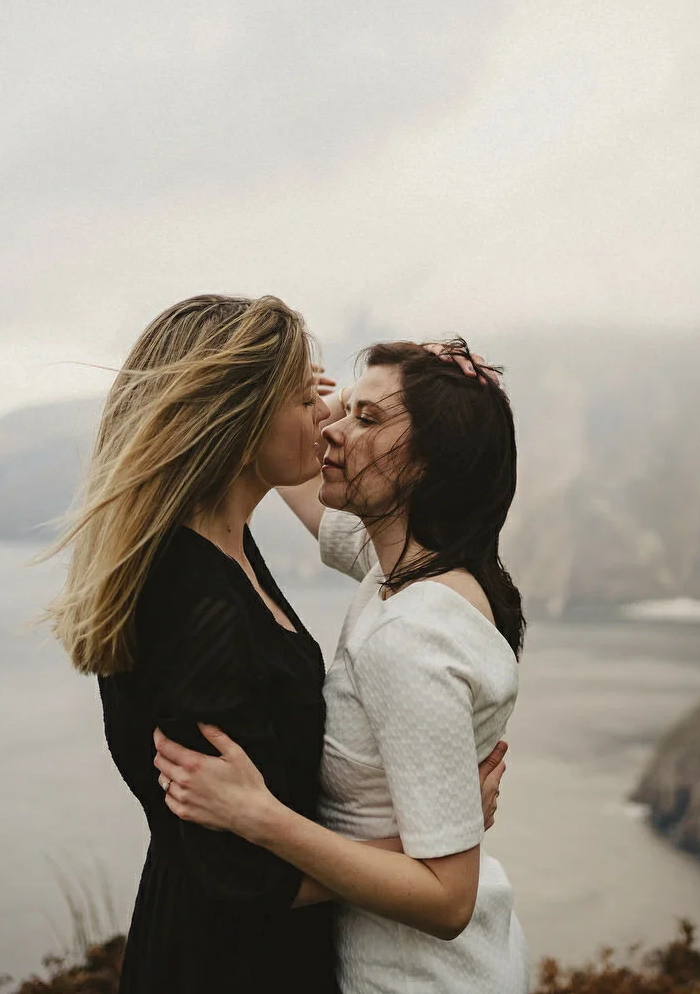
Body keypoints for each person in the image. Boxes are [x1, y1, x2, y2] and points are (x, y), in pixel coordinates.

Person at [42, 296, 505, 993]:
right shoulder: (196, 610)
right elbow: (235, 879)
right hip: (228, 969)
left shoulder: (226, 545)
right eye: (307, 400)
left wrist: (320, 399)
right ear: (241, 420)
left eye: (347, 408)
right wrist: (428, 843)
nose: (328, 418)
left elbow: (383, 535)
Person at [152, 338, 530, 993]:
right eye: (337, 409)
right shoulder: (423, 572)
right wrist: (284, 405)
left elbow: (447, 899)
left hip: (416, 979)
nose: (331, 426)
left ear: (434, 462)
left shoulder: (409, 637)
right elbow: (293, 472)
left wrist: (260, 817)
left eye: (368, 419)